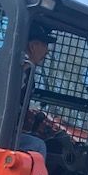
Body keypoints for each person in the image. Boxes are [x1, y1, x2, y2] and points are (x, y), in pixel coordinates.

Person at [19, 27, 53, 157]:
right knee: (38, 147)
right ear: (33, 46)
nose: (47, 51)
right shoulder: (18, 67)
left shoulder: (28, 71)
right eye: (44, 45)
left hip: (7, 128)